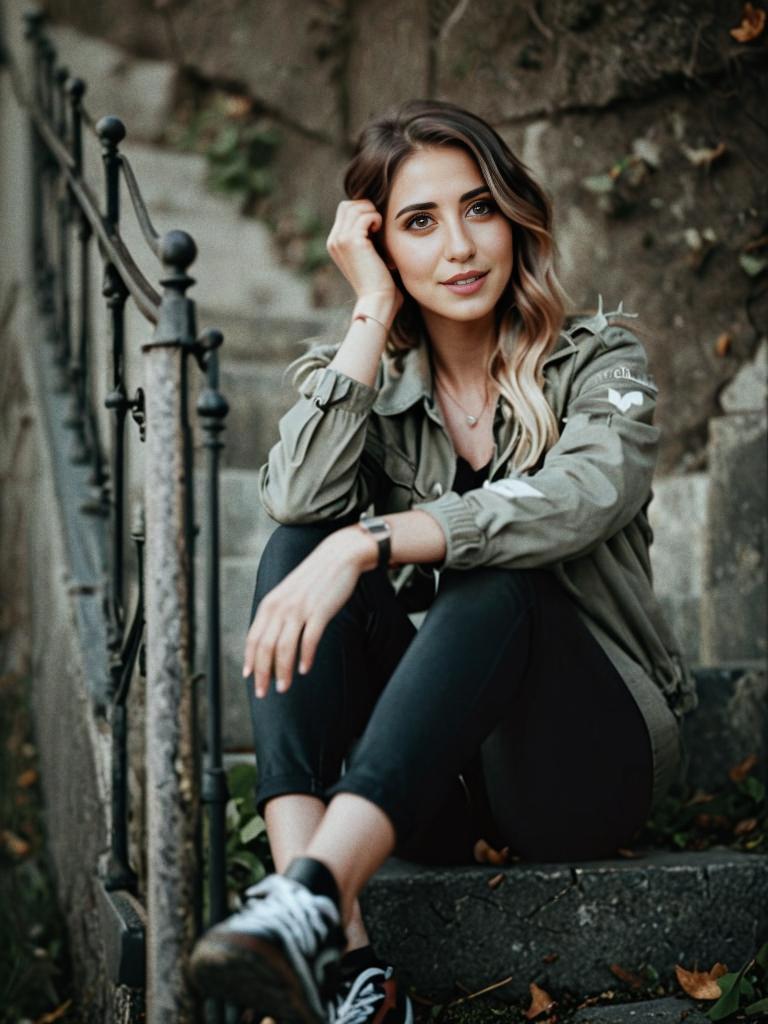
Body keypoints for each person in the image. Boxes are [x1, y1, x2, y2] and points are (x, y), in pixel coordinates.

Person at [188, 99, 698, 1024]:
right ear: (380, 246)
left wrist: (372, 539)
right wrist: (371, 313)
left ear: (514, 215)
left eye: (478, 208)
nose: (459, 247)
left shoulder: (596, 359)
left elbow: (582, 496)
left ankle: (302, 894)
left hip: (582, 765)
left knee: (497, 578)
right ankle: (336, 955)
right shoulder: (366, 375)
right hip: (441, 783)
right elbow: (297, 501)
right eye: (419, 223)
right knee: (300, 545)